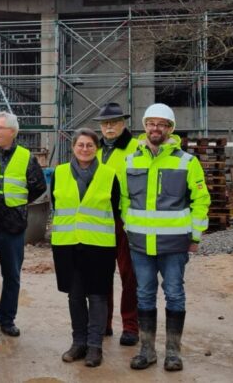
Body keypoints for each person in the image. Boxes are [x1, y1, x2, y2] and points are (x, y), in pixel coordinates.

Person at [122, 103, 210, 372]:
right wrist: (129, 226)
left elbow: (201, 200)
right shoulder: (132, 159)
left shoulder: (187, 161)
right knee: (145, 295)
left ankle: (173, 352)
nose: (155, 128)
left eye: (162, 124)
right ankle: (147, 350)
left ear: (170, 129)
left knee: (174, 294)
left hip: (174, 245)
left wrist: (195, 236)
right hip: (140, 244)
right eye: (151, 123)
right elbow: (125, 199)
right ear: (145, 126)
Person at [51, 128, 119, 368]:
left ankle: (94, 347)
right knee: (75, 296)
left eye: (90, 145)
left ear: (96, 148)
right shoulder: (59, 173)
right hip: (67, 245)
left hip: (99, 246)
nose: (84, 149)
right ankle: (78, 342)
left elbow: (116, 207)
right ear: (73, 147)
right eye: (80, 144)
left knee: (98, 296)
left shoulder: (109, 175)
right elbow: (55, 204)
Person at [0, 112, 47, 337]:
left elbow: (38, 186)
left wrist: (18, 205)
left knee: (12, 276)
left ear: (12, 132)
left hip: (13, 227)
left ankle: (6, 319)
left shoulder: (26, 157)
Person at [92, 102, 140, 346]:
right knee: (101, 274)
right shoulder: (96, 150)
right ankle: (104, 323)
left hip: (125, 219)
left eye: (113, 122)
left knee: (128, 275)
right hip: (101, 219)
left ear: (123, 123)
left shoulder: (136, 148)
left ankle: (130, 326)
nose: (108, 127)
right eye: (105, 123)